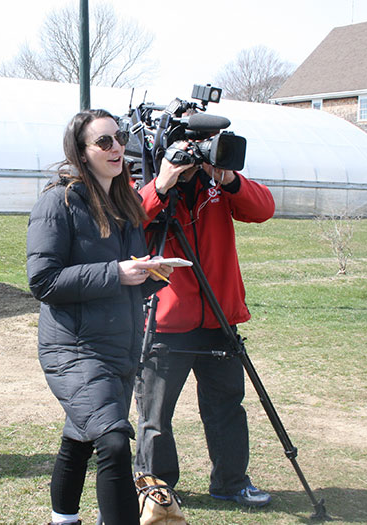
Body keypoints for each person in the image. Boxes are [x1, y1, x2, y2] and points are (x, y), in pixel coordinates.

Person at [27, 109, 174, 525]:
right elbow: (43, 281)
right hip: (72, 347)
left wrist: (153, 273)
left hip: (117, 346)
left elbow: (127, 280)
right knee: (112, 442)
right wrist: (116, 273)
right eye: (103, 142)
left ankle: (63, 520)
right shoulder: (58, 202)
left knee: (80, 436)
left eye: (119, 138)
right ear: (82, 152)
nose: (116, 148)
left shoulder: (125, 203)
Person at [133, 142, 276, 507]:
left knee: (227, 405)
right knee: (156, 414)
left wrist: (228, 179)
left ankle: (231, 482)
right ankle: (157, 487)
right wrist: (162, 184)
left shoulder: (219, 184)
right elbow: (126, 222)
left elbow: (263, 209)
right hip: (166, 320)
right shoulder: (146, 179)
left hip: (219, 316)